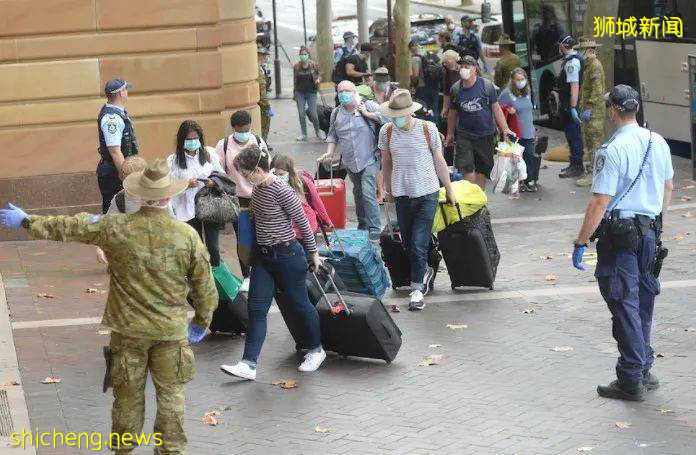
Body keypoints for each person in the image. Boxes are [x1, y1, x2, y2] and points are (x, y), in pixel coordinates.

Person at [0, 159, 218, 454]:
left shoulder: (117, 228)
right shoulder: (187, 236)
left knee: (127, 400)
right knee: (172, 398)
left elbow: (73, 226)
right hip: (171, 332)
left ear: (139, 194)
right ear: (169, 196)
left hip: (128, 332)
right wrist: (201, 322)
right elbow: (205, 288)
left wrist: (28, 221)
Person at [571, 85, 673, 401]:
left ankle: (631, 378)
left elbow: (600, 201)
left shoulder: (611, 149)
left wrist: (581, 241)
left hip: (621, 236)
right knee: (642, 301)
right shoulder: (658, 142)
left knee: (624, 303)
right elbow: (668, 187)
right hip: (650, 233)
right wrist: (656, 223)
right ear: (636, 109)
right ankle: (643, 369)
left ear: (613, 110)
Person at [220, 145, 325, 380]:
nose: (244, 178)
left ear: (257, 170)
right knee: (257, 309)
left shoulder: (282, 191)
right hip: (264, 257)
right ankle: (248, 364)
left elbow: (303, 222)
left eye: (245, 174)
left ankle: (316, 350)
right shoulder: (258, 190)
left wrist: (313, 253)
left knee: (300, 304)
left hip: (288, 256)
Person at [379, 90, 456, 310]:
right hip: (402, 193)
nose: (397, 119)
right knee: (407, 242)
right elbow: (386, 162)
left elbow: (439, 160)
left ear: (409, 112)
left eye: (400, 114)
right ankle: (425, 270)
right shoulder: (386, 131)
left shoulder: (427, 128)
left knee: (418, 242)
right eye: (394, 115)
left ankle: (416, 291)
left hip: (427, 193)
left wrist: (449, 189)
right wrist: (387, 189)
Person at [318, 80, 385, 239]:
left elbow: (387, 119)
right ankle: (363, 224)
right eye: (340, 91)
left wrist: (367, 114)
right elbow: (332, 135)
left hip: (369, 157)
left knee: (368, 192)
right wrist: (329, 153)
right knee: (358, 191)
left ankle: (375, 228)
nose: (343, 94)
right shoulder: (336, 113)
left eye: (347, 91)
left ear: (355, 92)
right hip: (350, 161)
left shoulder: (368, 105)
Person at [215, 110, 270, 285]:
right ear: (233, 129)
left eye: (246, 129)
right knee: (243, 238)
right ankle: (247, 275)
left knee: (262, 236)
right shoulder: (224, 145)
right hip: (238, 199)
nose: (244, 133)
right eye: (240, 130)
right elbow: (218, 171)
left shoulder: (258, 141)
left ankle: (263, 272)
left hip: (259, 195)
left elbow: (267, 167)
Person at [445, 55, 516, 190]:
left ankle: (479, 199)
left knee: (481, 171)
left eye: (467, 66)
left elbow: (496, 108)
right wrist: (450, 134)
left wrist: (505, 129)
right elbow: (452, 113)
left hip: (485, 135)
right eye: (461, 66)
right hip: (465, 135)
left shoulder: (486, 86)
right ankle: (471, 198)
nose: (463, 69)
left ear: (475, 70)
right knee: (468, 170)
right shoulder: (456, 89)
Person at [167, 120, 225, 267]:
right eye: (189, 139)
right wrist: (185, 185)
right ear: (182, 140)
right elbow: (169, 186)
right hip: (187, 209)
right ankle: (200, 277)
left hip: (210, 205)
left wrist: (213, 182)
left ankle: (216, 276)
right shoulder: (173, 160)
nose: (192, 142)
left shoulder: (209, 154)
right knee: (196, 249)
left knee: (213, 248)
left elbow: (222, 176)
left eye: (195, 138)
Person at [96, 78, 139, 214]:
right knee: (114, 216)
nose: (127, 92)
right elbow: (115, 152)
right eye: (125, 89)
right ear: (121, 93)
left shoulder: (117, 113)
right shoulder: (112, 118)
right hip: (114, 175)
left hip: (116, 173)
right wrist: (127, 177)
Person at [270, 154, 333, 238]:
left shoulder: (304, 182)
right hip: (287, 232)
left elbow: (317, 203)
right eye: (275, 174)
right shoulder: (270, 186)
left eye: (281, 174)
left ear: (290, 172)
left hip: (307, 227)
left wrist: (327, 221)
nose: (278, 177)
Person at [498, 68, 538, 192]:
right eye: (518, 79)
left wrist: (533, 130)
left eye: (522, 79)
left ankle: (529, 181)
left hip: (528, 131)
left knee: (529, 156)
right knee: (514, 159)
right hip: (514, 132)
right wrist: (507, 110)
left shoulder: (527, 92)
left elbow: (529, 112)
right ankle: (515, 182)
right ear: (513, 80)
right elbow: (497, 110)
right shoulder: (506, 93)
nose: (520, 82)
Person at [575, 38, 607, 187]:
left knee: (594, 144)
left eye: (581, 50)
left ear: (588, 51)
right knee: (591, 143)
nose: (579, 53)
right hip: (591, 112)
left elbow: (597, 90)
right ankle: (594, 172)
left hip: (594, 113)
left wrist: (589, 107)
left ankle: (594, 174)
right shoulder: (589, 65)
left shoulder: (594, 66)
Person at [556, 35, 585, 178]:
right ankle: (574, 163)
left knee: (574, 135)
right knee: (571, 135)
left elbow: (574, 86)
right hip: (569, 104)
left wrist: (573, 107)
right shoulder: (573, 59)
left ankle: (577, 166)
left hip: (570, 104)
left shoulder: (571, 63)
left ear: (562, 45)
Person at [293, 46, 323, 141]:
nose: (303, 56)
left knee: (313, 114)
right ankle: (304, 133)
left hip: (311, 92)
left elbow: (320, 74)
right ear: (299, 55)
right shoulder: (296, 66)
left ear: (308, 55)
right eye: (301, 54)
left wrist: (318, 79)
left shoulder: (313, 65)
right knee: (301, 114)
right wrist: (294, 93)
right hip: (300, 92)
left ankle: (318, 132)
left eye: (305, 54)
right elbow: (295, 80)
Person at [440, 50, 461, 123]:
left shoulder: (464, 69)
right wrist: (445, 108)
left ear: (455, 60)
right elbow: (447, 92)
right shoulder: (447, 72)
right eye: (444, 63)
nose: (445, 64)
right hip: (454, 103)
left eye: (447, 62)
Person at [257, 46, 273, 141]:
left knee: (265, 124)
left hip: (262, 101)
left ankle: (264, 142)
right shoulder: (258, 69)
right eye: (267, 55)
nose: (268, 57)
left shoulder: (262, 68)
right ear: (262, 56)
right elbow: (262, 90)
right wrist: (267, 106)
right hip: (261, 103)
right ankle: (263, 143)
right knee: (264, 124)